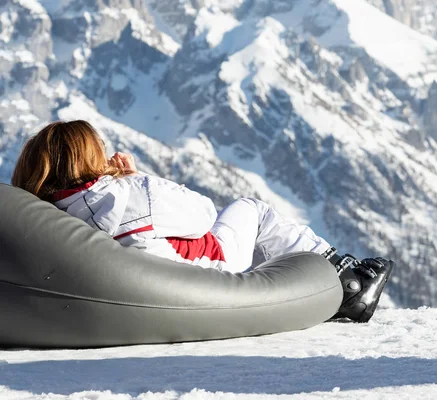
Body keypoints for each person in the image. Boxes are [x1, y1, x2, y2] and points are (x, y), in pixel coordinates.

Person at [11, 120, 393, 322]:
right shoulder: (127, 193)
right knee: (252, 209)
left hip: (125, 289)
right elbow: (202, 215)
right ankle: (347, 278)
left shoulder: (43, 215)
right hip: (204, 270)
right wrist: (134, 178)